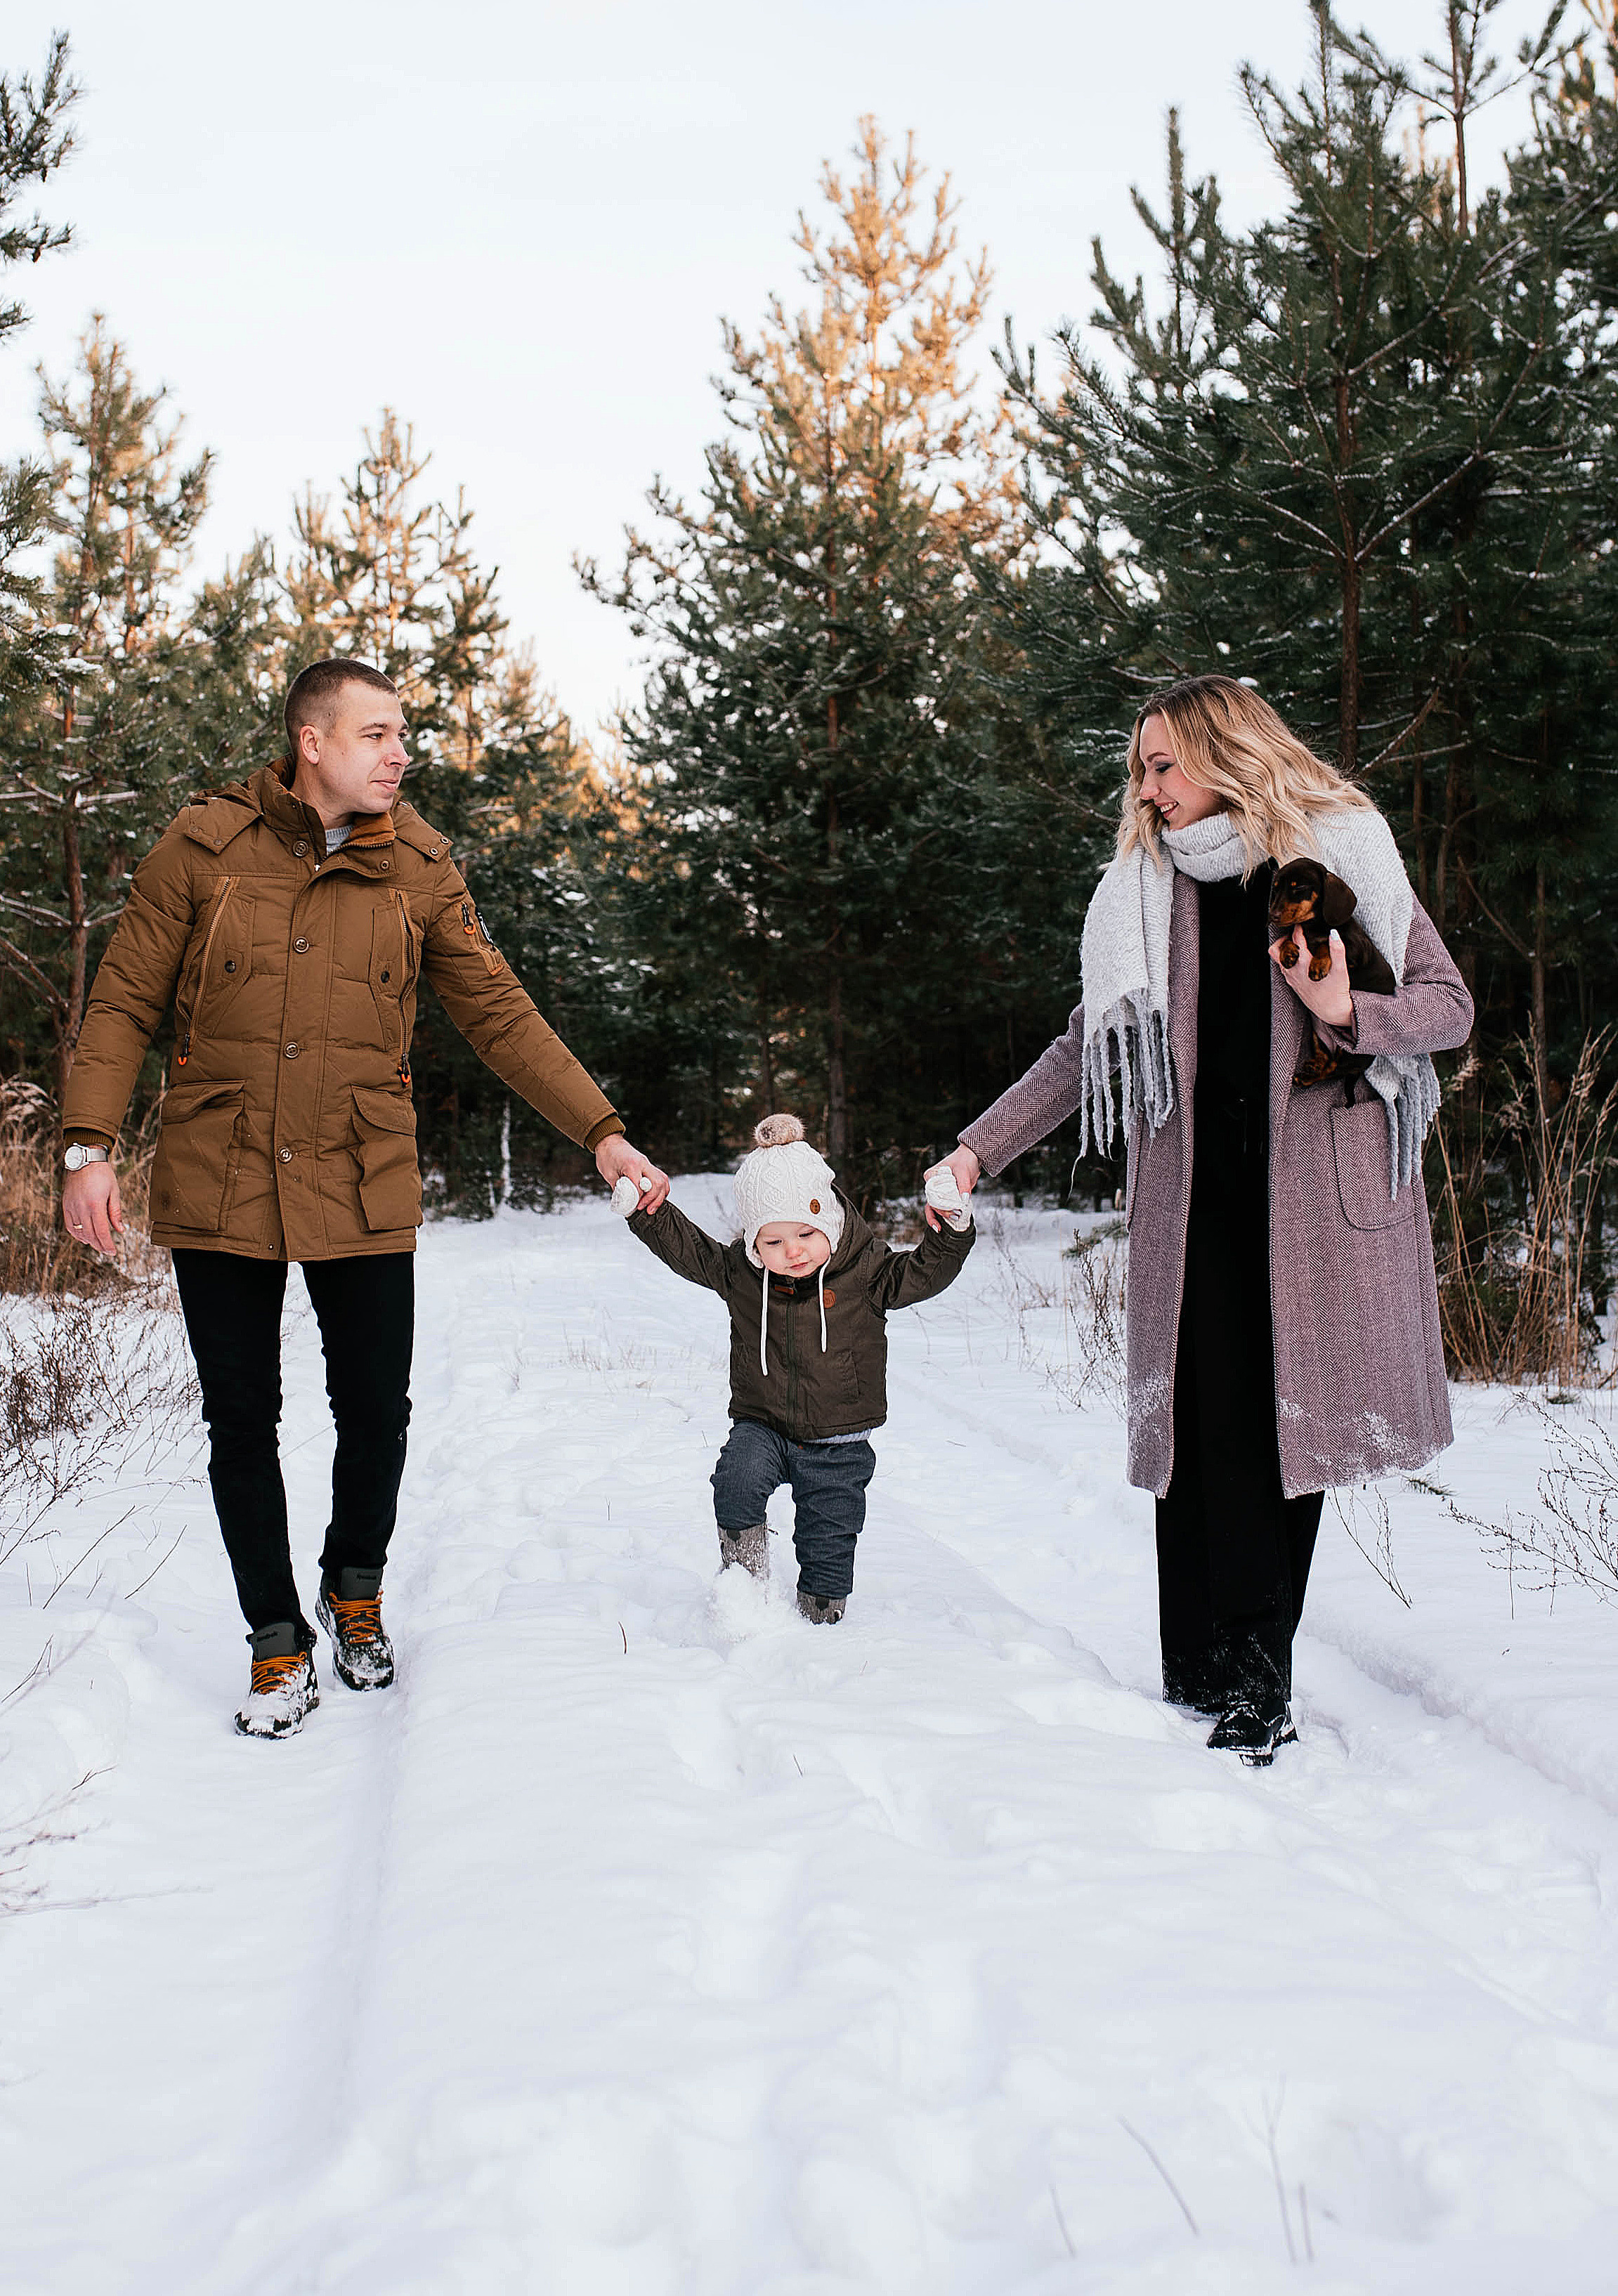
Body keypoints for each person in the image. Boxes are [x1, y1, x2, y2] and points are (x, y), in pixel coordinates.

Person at [60, 658, 669, 1740]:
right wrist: (86, 1145)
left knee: (375, 1409)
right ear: (312, 740)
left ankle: (355, 1590)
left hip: (359, 1167)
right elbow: (121, 1001)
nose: (400, 754)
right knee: (240, 1417)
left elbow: (501, 1014)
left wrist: (601, 1130)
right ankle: (273, 1640)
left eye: (403, 735)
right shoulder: (199, 847)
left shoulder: (421, 867)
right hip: (223, 1165)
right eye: (379, 733)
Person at [927, 674, 1473, 1764]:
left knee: (1282, 1440)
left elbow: (1444, 1004)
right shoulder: (1142, 892)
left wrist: (1344, 1011)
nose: (1144, 786)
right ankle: (1198, 1669)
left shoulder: (1339, 851)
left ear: (1227, 755)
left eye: (1162, 763)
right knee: (1200, 1430)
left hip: (1314, 1202)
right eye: (1138, 765)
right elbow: (1087, 1048)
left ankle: (1256, 1685)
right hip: (1194, 1201)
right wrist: (975, 1146)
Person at [623, 1114, 974, 1621]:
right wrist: (644, 1212)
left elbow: (925, 1272)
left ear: (828, 1220)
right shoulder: (741, 1275)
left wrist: (951, 1232)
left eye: (805, 1233)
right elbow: (688, 1249)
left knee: (829, 1543)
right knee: (735, 1483)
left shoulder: (868, 1273)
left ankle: (821, 1615)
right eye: (772, 1241)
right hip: (761, 1425)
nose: (791, 1251)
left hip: (839, 1440)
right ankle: (743, 1591)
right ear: (753, 1242)